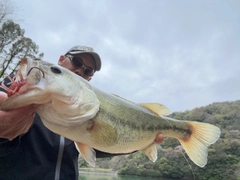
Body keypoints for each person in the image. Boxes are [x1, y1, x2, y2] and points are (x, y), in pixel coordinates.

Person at [0, 46, 164, 180]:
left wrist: (141, 142)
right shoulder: (21, 85)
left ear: (89, 80)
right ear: (61, 59)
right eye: (76, 62)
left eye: (88, 71)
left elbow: (106, 142)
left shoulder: (84, 112)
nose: (80, 71)